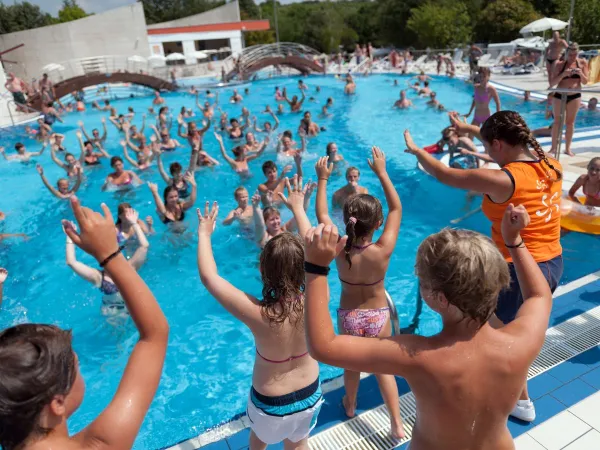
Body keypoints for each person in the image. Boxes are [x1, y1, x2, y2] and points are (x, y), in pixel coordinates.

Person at [303, 201, 553, 450]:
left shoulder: (419, 356)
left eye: (422, 281)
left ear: (439, 298)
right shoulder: (520, 343)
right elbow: (539, 296)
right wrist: (515, 241)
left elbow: (324, 346)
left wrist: (315, 267)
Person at [405, 110, 563, 421]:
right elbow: (502, 139)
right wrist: (467, 128)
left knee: (499, 336)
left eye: (489, 148)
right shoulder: (551, 164)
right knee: (506, 328)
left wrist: (417, 151)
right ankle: (510, 388)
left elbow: (444, 174)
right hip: (551, 262)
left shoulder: (503, 179)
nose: (488, 154)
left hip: (519, 269)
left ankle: (520, 400)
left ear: (499, 144)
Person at [0, 197, 168, 450]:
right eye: (76, 366)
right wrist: (108, 253)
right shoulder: (100, 445)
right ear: (57, 403)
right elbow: (155, 335)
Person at [198, 184, 322, 449]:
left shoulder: (259, 314)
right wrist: (299, 208)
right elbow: (314, 245)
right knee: (299, 443)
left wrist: (204, 234)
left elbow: (210, 278)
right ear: (304, 266)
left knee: (258, 442)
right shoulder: (316, 296)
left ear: (264, 269)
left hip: (271, 403)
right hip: (310, 391)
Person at [313, 148, 404, 438]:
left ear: (348, 221)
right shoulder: (382, 250)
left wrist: (323, 179)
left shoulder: (339, 249)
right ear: (377, 225)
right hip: (379, 315)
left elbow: (323, 213)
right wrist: (382, 172)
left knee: (351, 368)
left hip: (349, 317)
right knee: (383, 369)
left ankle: (350, 405)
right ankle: (397, 425)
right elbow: (397, 209)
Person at [64, 206, 150, 315]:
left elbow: (144, 246)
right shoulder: (99, 278)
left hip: (131, 312)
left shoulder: (130, 267)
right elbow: (71, 262)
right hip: (111, 314)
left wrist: (134, 223)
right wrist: (70, 236)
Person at [550, 42, 589, 157]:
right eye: (571, 55)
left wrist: (581, 73)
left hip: (575, 95)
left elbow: (586, 81)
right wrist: (563, 75)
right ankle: (553, 148)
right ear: (566, 54)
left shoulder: (582, 63)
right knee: (557, 122)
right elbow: (552, 83)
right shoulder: (559, 64)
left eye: (575, 54)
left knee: (570, 123)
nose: (573, 57)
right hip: (559, 95)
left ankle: (567, 148)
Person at [252, 177, 315, 247]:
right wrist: (256, 207)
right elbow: (259, 225)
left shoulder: (286, 230)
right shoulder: (263, 237)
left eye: (277, 218)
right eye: (272, 220)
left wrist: (307, 197)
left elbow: (301, 215)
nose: (276, 222)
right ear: (265, 222)